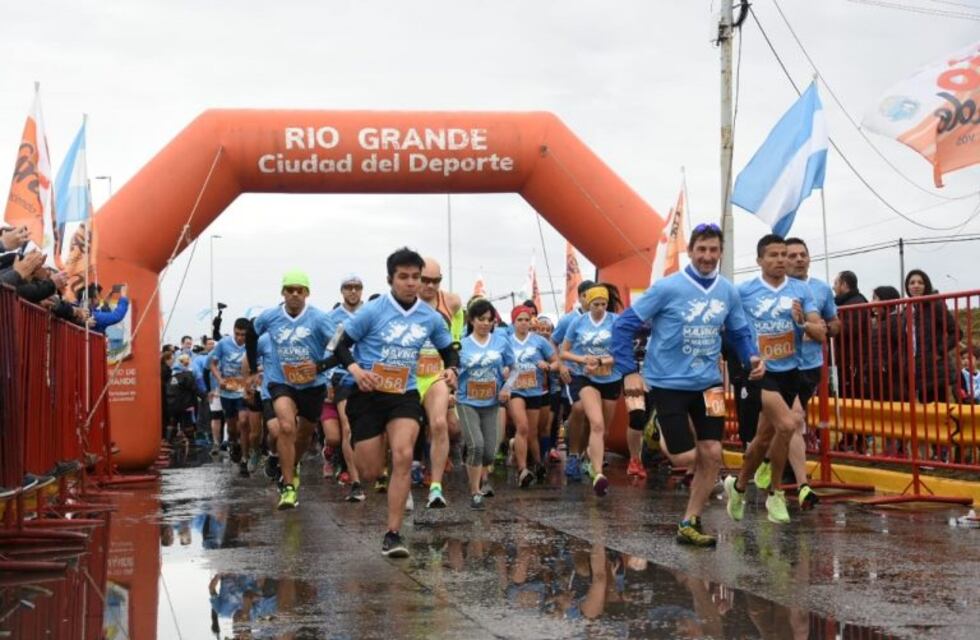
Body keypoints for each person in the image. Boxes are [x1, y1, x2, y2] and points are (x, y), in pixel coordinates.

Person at [612, 223, 762, 546]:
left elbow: (738, 332)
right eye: (701, 249)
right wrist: (629, 371)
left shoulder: (727, 291)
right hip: (668, 383)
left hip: (709, 385)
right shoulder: (667, 288)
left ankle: (689, 521)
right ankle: (655, 428)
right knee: (682, 458)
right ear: (691, 251)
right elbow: (623, 326)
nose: (707, 256)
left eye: (713, 250)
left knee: (713, 451)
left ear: (721, 253)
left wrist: (751, 356)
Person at [328, 248, 459, 557]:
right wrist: (357, 370)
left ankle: (393, 534)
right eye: (404, 277)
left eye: (417, 277)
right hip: (369, 395)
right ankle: (378, 472)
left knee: (402, 455)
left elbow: (448, 348)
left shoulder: (429, 316)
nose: (411, 283)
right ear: (390, 279)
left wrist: (452, 369)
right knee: (371, 471)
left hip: (404, 394)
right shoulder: (373, 311)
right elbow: (339, 345)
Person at [724, 234, 825, 526]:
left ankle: (739, 486)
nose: (781, 260)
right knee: (788, 424)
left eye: (783, 254)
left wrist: (803, 322)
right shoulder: (744, 291)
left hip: (790, 370)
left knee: (765, 437)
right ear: (759, 260)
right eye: (773, 255)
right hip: (760, 371)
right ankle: (775, 493)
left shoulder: (801, 290)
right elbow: (728, 326)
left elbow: (820, 332)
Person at [750, 237, 839, 503]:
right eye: (792, 255)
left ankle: (777, 472)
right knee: (790, 420)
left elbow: (833, 325)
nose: (798, 259)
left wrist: (821, 328)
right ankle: (797, 482)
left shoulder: (819, 289)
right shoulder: (764, 291)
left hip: (808, 366)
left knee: (783, 424)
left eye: (803, 254)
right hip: (774, 368)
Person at [246, 270, 337, 510]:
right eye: (290, 290)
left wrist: (321, 366)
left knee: (304, 434)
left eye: (300, 290)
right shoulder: (270, 316)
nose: (295, 294)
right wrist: (254, 366)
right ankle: (288, 487)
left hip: (312, 384)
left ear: (307, 293)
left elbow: (340, 345)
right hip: (280, 381)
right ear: (283, 293)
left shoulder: (319, 318)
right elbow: (251, 335)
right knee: (286, 427)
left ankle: (292, 465)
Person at [560, 283, 623, 497]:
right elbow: (564, 352)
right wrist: (582, 359)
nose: (599, 308)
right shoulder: (577, 322)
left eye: (603, 304)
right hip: (585, 377)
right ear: (588, 303)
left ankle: (590, 456)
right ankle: (598, 474)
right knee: (595, 423)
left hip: (611, 378)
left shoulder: (615, 322)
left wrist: (600, 360)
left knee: (603, 430)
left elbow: (622, 354)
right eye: (596, 304)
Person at [457, 298, 515, 509]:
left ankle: (479, 477)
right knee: (476, 446)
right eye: (481, 319)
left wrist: (507, 387)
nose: (485, 323)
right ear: (472, 320)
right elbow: (452, 370)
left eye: (489, 320)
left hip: (491, 402)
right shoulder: (461, 346)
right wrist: (451, 385)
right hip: (466, 401)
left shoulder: (501, 342)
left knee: (489, 451)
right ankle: (475, 492)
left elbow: (514, 367)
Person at [415, 256, 464, 509]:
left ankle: (436, 486)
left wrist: (452, 367)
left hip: (436, 373)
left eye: (436, 281)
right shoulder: (404, 303)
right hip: (410, 376)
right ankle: (402, 475)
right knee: (408, 430)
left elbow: (456, 337)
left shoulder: (451, 302)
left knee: (440, 424)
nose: (430, 286)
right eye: (425, 281)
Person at [507, 305, 558, 487]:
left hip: (535, 391)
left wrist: (548, 367)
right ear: (513, 322)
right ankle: (522, 470)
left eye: (526, 320)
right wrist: (504, 370)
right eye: (519, 320)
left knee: (532, 432)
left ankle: (537, 463)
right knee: (522, 427)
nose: (523, 323)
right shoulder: (507, 342)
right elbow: (499, 363)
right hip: (514, 390)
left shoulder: (539, 341)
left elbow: (556, 362)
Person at [327, 274, 367, 502]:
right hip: (342, 377)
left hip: (369, 376)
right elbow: (328, 349)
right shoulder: (332, 318)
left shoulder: (370, 313)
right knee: (347, 427)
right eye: (348, 287)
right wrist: (326, 379)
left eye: (357, 287)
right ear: (341, 291)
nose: (353, 291)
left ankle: (378, 474)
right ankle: (355, 482)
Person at [554, 280, 595, 481]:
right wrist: (560, 366)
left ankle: (585, 455)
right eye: (587, 295)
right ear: (580, 297)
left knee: (592, 416)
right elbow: (553, 342)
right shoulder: (568, 319)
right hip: (574, 374)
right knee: (579, 409)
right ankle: (572, 455)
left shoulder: (605, 319)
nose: (591, 299)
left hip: (597, 376)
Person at [904, 269, 958, 404]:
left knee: (938, 410)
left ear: (926, 285)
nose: (916, 285)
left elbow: (956, 332)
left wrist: (939, 351)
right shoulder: (908, 309)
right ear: (907, 287)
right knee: (926, 410)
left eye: (920, 282)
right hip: (918, 369)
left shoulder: (935, 304)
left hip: (935, 368)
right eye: (912, 283)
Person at [210, 318, 251, 477]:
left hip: (243, 389)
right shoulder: (223, 344)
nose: (240, 338)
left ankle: (245, 459)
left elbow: (259, 365)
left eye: (243, 335)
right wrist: (220, 379)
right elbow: (213, 364)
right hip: (227, 390)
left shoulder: (252, 345)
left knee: (244, 421)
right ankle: (234, 444)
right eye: (237, 334)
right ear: (233, 331)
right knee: (232, 428)